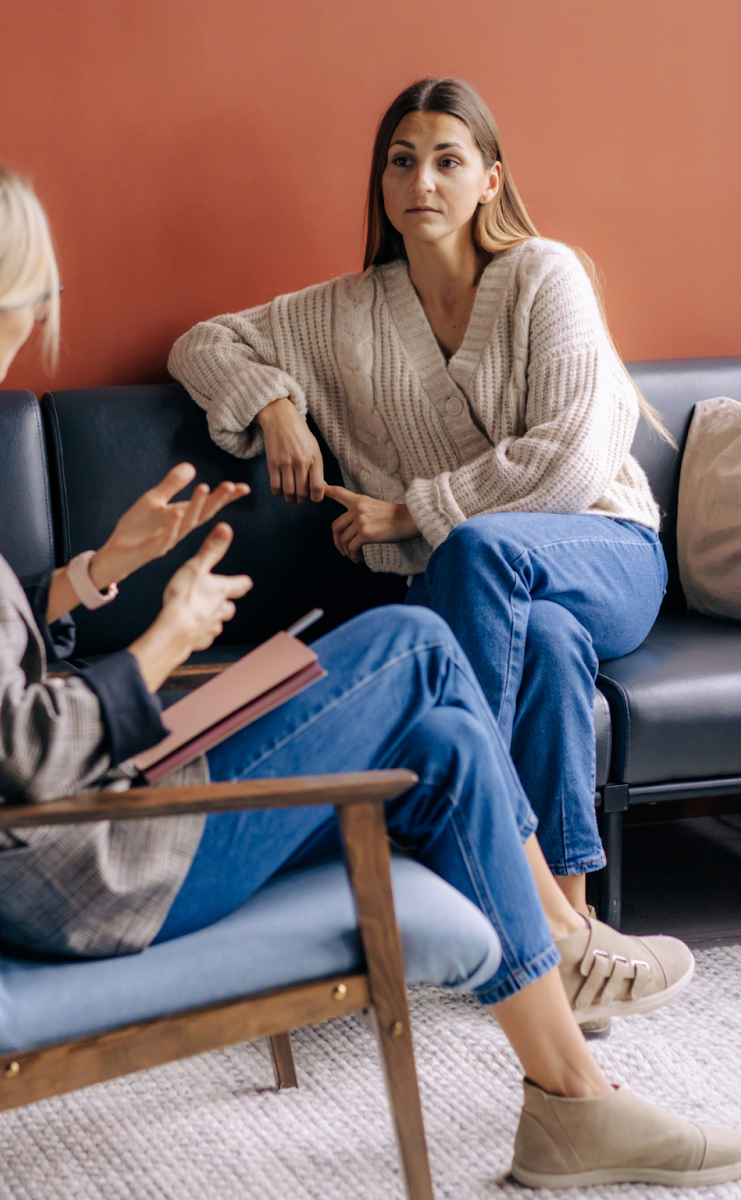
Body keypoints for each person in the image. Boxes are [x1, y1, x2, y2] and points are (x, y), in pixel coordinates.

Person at [0, 152, 741, 1189]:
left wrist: (102, 570)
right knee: (413, 649)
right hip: (82, 865)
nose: (42, 314)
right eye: (38, 296)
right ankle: (561, 944)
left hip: (96, 812)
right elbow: (14, 748)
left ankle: (570, 1095)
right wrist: (163, 643)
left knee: (445, 731)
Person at [169, 76, 673, 991]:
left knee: (479, 551)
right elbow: (203, 343)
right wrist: (276, 405)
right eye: (402, 161)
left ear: (489, 180)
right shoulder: (347, 312)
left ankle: (483, 869)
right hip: (497, 592)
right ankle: (567, 925)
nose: (422, 181)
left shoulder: (545, 274)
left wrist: (410, 513)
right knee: (548, 645)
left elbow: (570, 459)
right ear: (382, 181)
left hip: (606, 550)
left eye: (448, 160)